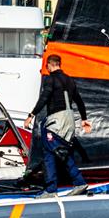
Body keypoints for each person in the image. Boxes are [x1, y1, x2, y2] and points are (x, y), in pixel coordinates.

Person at [24, 54, 92, 198]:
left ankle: (51, 189)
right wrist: (84, 119)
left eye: (47, 66)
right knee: (62, 152)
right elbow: (79, 101)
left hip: (56, 121)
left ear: (50, 64)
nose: (46, 68)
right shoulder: (69, 80)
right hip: (69, 121)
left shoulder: (50, 79)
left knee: (49, 153)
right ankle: (79, 182)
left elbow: (44, 97)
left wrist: (31, 115)